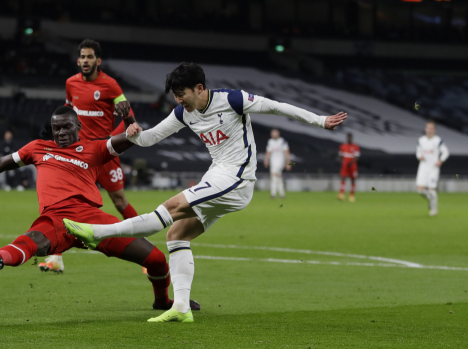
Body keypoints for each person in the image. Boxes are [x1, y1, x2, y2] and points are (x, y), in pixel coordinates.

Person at [64, 62, 346, 323]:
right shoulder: (183, 113)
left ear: (199, 88)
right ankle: (182, 309)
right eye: (174, 94)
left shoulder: (233, 100)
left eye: (181, 93)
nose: (178, 99)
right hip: (217, 175)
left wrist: (319, 121)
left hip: (238, 178)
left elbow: (277, 108)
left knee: (169, 209)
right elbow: (149, 139)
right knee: (176, 235)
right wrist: (131, 129)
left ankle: (96, 233)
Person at [0, 106, 199, 313]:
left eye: (66, 127)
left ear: (77, 127)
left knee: (157, 260)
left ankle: (162, 302)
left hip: (94, 221)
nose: (62, 132)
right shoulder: (37, 148)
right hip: (56, 219)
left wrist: (129, 122)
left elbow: (130, 138)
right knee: (32, 241)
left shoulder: (94, 149)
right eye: (57, 128)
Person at [40, 39, 139, 273]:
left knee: (119, 202)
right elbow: (67, 109)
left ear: (98, 60)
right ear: (77, 60)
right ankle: (55, 258)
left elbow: (129, 114)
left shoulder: (110, 85)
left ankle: (142, 248)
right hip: (77, 155)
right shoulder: (71, 83)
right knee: (63, 203)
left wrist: (109, 143)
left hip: (103, 154)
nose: (85, 61)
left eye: (90, 57)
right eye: (82, 57)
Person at [416, 121, 449, 217]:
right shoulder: (421, 140)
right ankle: (431, 199)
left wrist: (440, 160)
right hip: (423, 167)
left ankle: (434, 210)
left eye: (431, 128)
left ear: (434, 130)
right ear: (425, 129)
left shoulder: (438, 140)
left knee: (432, 190)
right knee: (420, 190)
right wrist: (419, 156)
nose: (429, 130)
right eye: (427, 128)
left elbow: (446, 152)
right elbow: (418, 152)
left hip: (433, 168)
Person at [264, 129, 291, 199]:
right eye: (272, 133)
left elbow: (286, 152)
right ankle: (282, 194)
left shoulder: (282, 141)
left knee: (273, 175)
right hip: (273, 161)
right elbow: (268, 152)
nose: (273, 135)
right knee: (278, 177)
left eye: (275, 133)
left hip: (281, 161)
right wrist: (266, 160)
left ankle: (273, 193)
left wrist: (288, 162)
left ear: (278, 134)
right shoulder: (270, 142)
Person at [337, 133, 360, 202]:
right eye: (348, 137)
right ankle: (341, 194)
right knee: (343, 178)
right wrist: (338, 159)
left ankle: (351, 196)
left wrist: (351, 162)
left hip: (352, 166)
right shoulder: (343, 146)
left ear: (352, 138)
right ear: (347, 138)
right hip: (345, 165)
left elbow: (356, 157)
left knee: (353, 180)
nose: (349, 139)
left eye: (350, 137)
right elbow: (340, 156)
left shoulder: (355, 147)